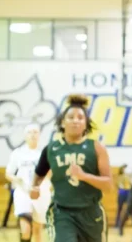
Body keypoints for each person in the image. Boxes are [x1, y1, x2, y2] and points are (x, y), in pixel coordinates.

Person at [30, 95, 112, 242]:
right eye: (71, 117)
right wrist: (34, 187)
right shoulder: (51, 149)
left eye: (80, 117)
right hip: (62, 213)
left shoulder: (97, 148)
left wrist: (84, 176)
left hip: (91, 213)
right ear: (62, 122)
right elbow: (39, 173)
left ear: (86, 124)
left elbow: (108, 185)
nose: (75, 120)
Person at [5, 124, 51, 242]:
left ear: (39, 135)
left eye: (35, 132)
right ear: (25, 135)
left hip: (41, 193)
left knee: (37, 231)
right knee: (25, 229)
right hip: (23, 193)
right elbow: (8, 174)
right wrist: (17, 180)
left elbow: (51, 174)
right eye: (30, 132)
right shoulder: (18, 153)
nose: (32, 135)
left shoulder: (45, 153)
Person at [115, 165, 132, 229]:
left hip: (128, 192)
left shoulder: (129, 176)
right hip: (122, 193)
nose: (125, 170)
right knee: (119, 209)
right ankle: (117, 224)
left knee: (129, 209)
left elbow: (131, 184)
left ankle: (125, 224)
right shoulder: (119, 176)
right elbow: (118, 185)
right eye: (124, 168)